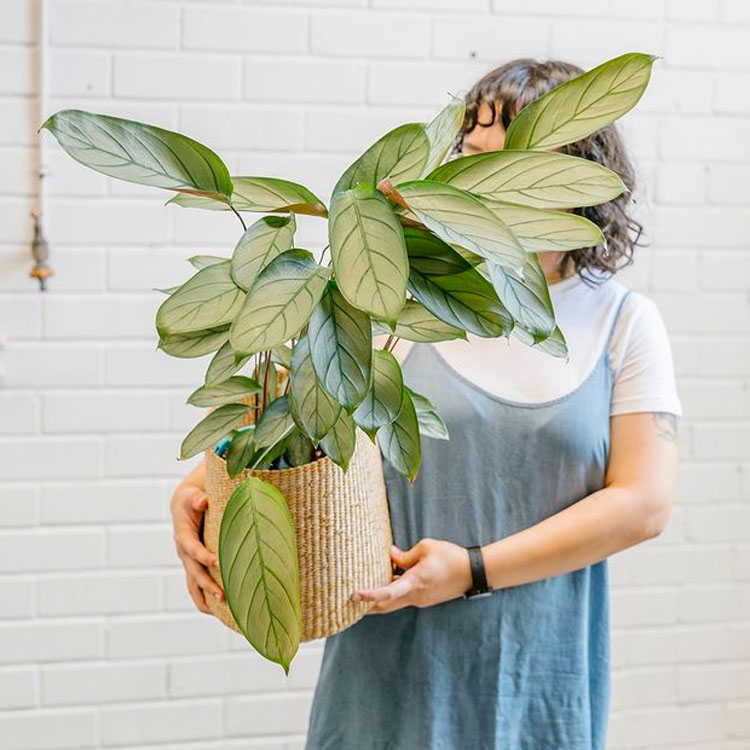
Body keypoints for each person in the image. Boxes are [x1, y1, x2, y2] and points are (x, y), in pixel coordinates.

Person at [170, 59, 682, 750]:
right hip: (387, 680)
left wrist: (471, 571)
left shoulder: (621, 323)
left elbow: (643, 504)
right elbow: (288, 433)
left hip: (538, 678)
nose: (477, 192)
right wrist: (195, 493)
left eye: (509, 168)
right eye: (469, 161)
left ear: (574, 178)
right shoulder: (393, 300)